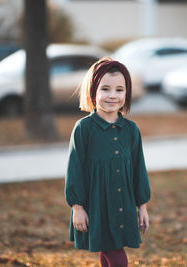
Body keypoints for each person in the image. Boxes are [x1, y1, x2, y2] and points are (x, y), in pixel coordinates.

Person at [64, 57, 151, 267]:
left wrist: (143, 206)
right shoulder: (84, 129)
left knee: (109, 249)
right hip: (97, 206)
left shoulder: (131, 131)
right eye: (105, 89)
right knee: (117, 257)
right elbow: (74, 169)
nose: (113, 95)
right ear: (93, 91)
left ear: (127, 93)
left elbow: (139, 169)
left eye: (120, 90)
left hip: (124, 204)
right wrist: (77, 207)